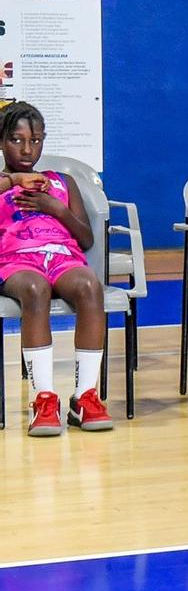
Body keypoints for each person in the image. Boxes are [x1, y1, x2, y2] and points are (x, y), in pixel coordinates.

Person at [3, 101, 109, 437]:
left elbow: (87, 239)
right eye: (17, 140)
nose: (27, 148)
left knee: (90, 286)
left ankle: (85, 396)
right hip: (16, 260)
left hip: (62, 257)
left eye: (35, 140)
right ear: (1, 141)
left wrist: (56, 209)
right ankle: (43, 399)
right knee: (36, 291)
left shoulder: (63, 182)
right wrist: (14, 180)